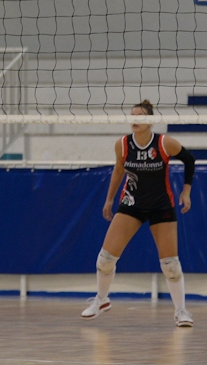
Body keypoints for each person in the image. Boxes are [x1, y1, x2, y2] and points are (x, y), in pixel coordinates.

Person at [81, 100, 196, 327]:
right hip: (131, 204)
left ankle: (181, 311)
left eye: (140, 116)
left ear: (150, 121)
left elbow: (189, 160)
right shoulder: (123, 145)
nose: (134, 119)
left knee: (170, 265)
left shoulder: (164, 143)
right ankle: (101, 300)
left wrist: (186, 192)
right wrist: (109, 200)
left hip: (161, 206)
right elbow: (118, 170)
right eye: (132, 115)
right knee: (105, 259)